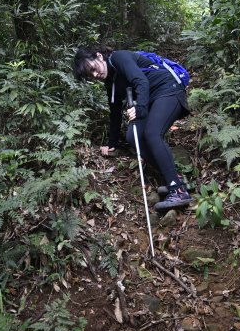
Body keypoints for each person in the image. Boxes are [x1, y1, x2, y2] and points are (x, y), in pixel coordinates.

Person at [73, 45, 192, 211]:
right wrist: (112, 143)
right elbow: (114, 113)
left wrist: (140, 108)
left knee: (151, 133)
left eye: (93, 68)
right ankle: (177, 179)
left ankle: (178, 191)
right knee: (132, 137)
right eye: (90, 75)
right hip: (151, 99)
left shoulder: (119, 58)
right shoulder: (111, 83)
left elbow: (140, 80)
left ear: (99, 56)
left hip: (168, 89)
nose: (95, 74)